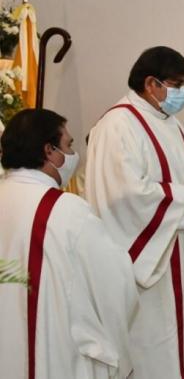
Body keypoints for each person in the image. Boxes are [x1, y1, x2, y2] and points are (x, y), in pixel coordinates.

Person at [86, 46, 184, 378]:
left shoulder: (167, 122)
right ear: (151, 83)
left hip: (180, 252)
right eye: (177, 83)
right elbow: (124, 195)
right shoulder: (117, 125)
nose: (183, 91)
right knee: (153, 346)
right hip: (151, 267)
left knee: (182, 340)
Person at [0, 109, 137, 379]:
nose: (74, 154)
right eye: (69, 145)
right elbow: (114, 286)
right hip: (51, 354)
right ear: (49, 151)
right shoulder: (67, 211)